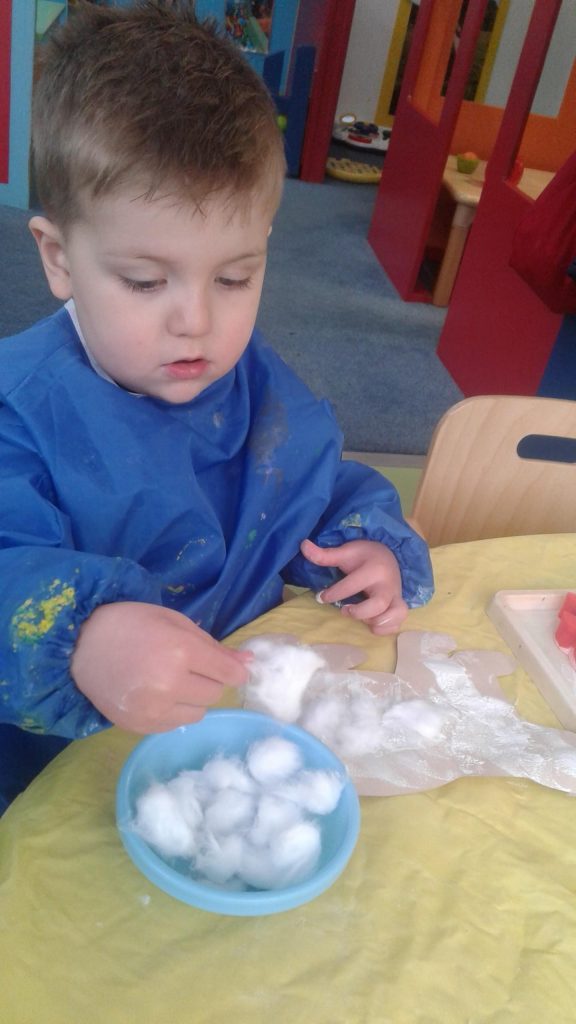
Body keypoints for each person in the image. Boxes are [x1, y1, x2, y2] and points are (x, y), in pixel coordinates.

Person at [0, 0, 433, 810]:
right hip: (61, 770)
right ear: (58, 259)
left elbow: (314, 488)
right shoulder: (19, 413)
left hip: (219, 761)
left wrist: (366, 542)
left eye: (235, 277)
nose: (196, 321)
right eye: (144, 282)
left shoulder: (257, 385)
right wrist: (80, 638)